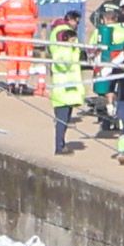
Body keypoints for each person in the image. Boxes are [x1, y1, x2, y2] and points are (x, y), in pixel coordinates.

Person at [48, 23, 85, 154]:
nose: (76, 42)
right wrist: (71, 50)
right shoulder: (62, 52)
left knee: (66, 121)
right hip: (62, 92)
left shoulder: (72, 51)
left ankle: (61, 144)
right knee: (61, 121)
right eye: (73, 40)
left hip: (70, 92)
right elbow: (63, 65)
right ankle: (59, 147)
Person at [0, 0, 40, 94]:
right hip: (25, 34)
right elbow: (35, 13)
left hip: (11, 34)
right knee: (24, 60)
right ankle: (22, 84)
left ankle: (10, 84)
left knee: (12, 60)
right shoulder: (28, 0)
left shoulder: (7, 0)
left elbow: (2, 16)